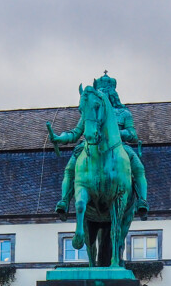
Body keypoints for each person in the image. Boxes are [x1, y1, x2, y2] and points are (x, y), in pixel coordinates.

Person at [48, 73, 148, 218]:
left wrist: (115, 133)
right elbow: (75, 133)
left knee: (138, 168)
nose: (102, 94)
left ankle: (142, 201)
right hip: (89, 146)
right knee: (70, 169)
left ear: (113, 93)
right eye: (100, 92)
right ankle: (64, 201)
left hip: (117, 147)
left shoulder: (123, 113)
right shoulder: (90, 110)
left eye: (105, 91)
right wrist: (59, 138)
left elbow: (133, 135)